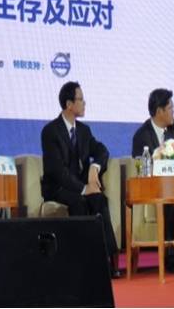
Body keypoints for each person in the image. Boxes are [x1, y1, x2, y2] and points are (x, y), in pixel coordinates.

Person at [40, 81, 120, 278]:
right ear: (69, 104)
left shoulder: (84, 130)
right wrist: (84, 188)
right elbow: (57, 171)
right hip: (58, 188)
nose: (85, 103)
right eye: (81, 99)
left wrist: (95, 167)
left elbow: (102, 150)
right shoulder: (50, 131)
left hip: (80, 184)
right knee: (79, 200)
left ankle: (110, 258)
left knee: (99, 199)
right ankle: (83, 259)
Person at [131, 88, 174, 273]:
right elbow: (140, 167)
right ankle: (171, 257)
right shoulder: (142, 135)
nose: (173, 111)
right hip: (153, 187)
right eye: (170, 108)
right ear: (159, 111)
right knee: (169, 201)